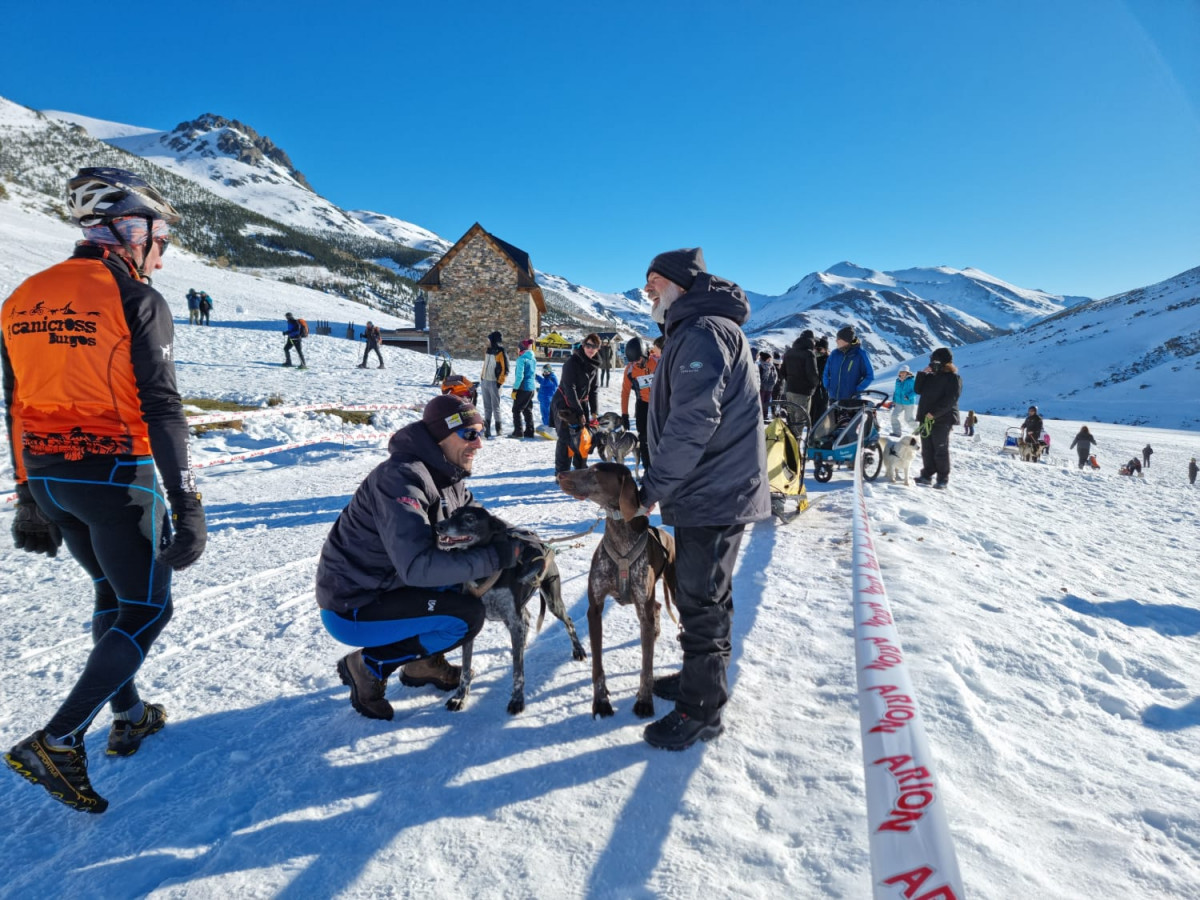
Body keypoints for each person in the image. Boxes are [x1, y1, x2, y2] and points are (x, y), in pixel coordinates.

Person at [1, 166, 206, 814]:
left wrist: (29, 491)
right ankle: (59, 739)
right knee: (148, 610)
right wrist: (190, 502)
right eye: (160, 234)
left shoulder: (25, 294)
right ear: (129, 228)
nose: (163, 248)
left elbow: (14, 401)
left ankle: (131, 715)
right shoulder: (137, 299)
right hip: (116, 476)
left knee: (109, 592)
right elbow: (164, 409)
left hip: (52, 476)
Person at [316, 395, 529, 722]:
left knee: (469, 587)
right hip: (354, 604)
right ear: (441, 436)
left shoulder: (449, 475)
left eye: (480, 433)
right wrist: (494, 558)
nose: (479, 444)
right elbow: (417, 566)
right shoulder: (401, 477)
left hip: (391, 587)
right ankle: (368, 665)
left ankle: (421, 663)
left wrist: (523, 541)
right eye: (470, 434)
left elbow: (481, 522)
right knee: (467, 615)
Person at [634, 248, 769, 751]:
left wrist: (652, 488)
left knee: (700, 597)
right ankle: (701, 682)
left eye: (654, 281)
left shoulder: (702, 332)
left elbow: (693, 419)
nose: (647, 289)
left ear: (680, 284)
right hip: (710, 487)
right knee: (705, 591)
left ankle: (701, 712)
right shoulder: (696, 328)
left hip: (714, 489)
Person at [551, 334, 601, 477]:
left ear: (598, 349)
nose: (591, 349)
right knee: (566, 438)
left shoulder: (594, 365)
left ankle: (580, 470)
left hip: (582, 403)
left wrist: (594, 412)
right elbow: (569, 389)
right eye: (589, 345)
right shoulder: (571, 363)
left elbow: (594, 390)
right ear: (583, 346)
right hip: (565, 403)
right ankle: (562, 474)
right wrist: (579, 413)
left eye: (594, 346)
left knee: (583, 437)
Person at [913, 347, 962, 489]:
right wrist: (922, 373)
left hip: (943, 419)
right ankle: (926, 475)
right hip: (926, 418)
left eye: (935, 361)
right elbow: (917, 390)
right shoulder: (930, 377)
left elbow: (951, 399)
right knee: (927, 448)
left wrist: (934, 413)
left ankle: (942, 479)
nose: (933, 363)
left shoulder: (954, 378)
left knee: (940, 448)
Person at [620, 335, 659, 474]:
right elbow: (625, 392)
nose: (636, 363)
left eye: (638, 359)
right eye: (633, 361)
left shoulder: (657, 361)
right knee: (644, 439)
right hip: (643, 405)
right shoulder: (630, 370)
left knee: (661, 437)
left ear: (644, 353)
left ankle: (663, 470)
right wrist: (624, 414)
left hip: (660, 404)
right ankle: (648, 471)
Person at [823, 325, 875, 403]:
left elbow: (869, 376)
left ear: (846, 340)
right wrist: (827, 386)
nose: (836, 341)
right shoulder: (834, 354)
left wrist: (857, 390)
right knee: (831, 415)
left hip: (851, 400)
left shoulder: (859, 355)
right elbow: (826, 372)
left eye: (838, 338)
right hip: (833, 399)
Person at [781, 330, 819, 428]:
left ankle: (790, 442)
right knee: (801, 422)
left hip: (789, 391)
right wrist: (814, 386)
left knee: (791, 420)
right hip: (803, 392)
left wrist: (790, 381)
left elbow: (782, 372)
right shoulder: (809, 354)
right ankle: (797, 443)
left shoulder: (789, 352)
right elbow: (812, 374)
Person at [479, 331, 508, 438]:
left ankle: (498, 429)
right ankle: (487, 430)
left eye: (489, 339)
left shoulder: (501, 352)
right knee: (487, 407)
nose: (488, 341)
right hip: (485, 381)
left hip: (494, 382)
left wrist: (500, 382)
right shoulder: (487, 351)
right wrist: (482, 377)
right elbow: (485, 365)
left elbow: (505, 369)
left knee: (495, 407)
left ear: (493, 340)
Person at [508, 338, 537, 438]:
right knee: (527, 409)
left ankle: (518, 432)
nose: (517, 350)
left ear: (521, 349)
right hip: (531, 388)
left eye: (518, 348)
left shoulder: (521, 359)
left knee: (516, 410)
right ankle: (530, 430)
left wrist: (515, 389)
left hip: (523, 388)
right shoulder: (532, 358)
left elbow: (519, 376)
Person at [810, 335, 831, 425]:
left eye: (819, 349)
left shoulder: (828, 361)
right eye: (815, 349)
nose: (817, 351)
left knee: (821, 415)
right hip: (812, 391)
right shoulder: (812, 359)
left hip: (823, 392)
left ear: (825, 350)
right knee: (811, 415)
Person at [891, 366, 918, 435]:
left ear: (907, 373)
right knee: (893, 416)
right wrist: (894, 400)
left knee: (908, 419)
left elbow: (916, 391)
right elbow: (896, 391)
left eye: (904, 372)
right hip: (898, 402)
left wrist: (908, 396)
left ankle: (918, 431)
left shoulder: (911, 381)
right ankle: (897, 433)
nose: (902, 374)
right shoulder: (898, 381)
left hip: (908, 403)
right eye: (901, 372)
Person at [756, 351, 778, 422]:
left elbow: (775, 375)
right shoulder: (760, 366)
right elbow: (758, 376)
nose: (770, 360)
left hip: (769, 387)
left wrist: (773, 383)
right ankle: (760, 416)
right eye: (768, 359)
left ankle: (765, 416)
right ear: (765, 359)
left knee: (767, 402)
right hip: (762, 387)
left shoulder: (772, 367)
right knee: (761, 402)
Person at [536, 364, 558, 428]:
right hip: (543, 400)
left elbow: (544, 382)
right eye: (543, 371)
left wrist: (536, 377)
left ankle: (549, 427)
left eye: (546, 371)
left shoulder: (551, 378)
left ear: (550, 371)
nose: (544, 373)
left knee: (547, 414)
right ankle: (546, 426)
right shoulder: (547, 378)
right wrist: (539, 390)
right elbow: (545, 386)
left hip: (547, 400)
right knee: (544, 414)